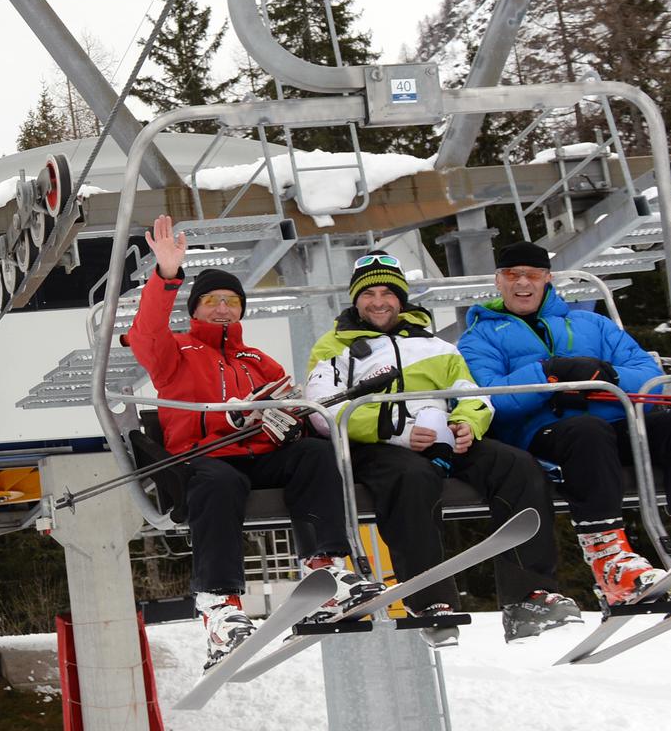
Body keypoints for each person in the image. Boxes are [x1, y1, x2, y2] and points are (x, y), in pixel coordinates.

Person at [126, 215, 382, 671]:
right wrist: (166, 276)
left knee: (313, 455)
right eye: (212, 301)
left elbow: (291, 403)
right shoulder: (176, 352)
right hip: (203, 459)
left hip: (260, 455)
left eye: (231, 301)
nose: (223, 309)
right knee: (218, 482)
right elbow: (146, 332)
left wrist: (290, 417)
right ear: (195, 309)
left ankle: (324, 568)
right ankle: (219, 603)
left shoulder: (255, 358)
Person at [458, 240, 671, 604]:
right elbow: (488, 396)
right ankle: (610, 560)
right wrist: (547, 377)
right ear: (499, 281)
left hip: (617, 422)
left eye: (533, 274)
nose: (522, 283)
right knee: (587, 432)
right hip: (544, 431)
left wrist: (610, 376)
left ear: (548, 279)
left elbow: (647, 373)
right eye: (513, 275)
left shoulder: (593, 324)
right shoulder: (479, 337)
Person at [305, 251, 580, 644]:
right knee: (411, 477)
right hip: (376, 444)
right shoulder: (332, 348)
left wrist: (466, 423)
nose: (378, 301)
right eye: (369, 294)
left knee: (517, 467)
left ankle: (528, 595)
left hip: (442, 438)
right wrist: (396, 431)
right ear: (356, 299)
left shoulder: (437, 346)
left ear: (401, 298)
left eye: (387, 292)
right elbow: (322, 410)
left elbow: (472, 394)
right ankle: (430, 601)